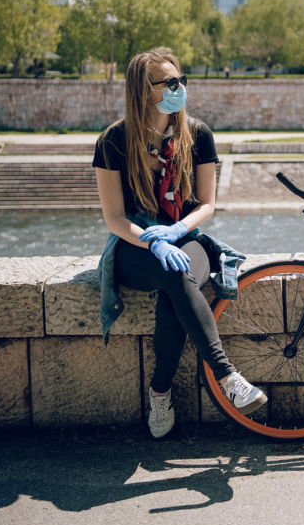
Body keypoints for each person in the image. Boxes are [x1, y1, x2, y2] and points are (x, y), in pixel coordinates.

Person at [93, 46, 267, 439]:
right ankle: (227, 376)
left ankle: (160, 391)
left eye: (181, 80)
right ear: (143, 90)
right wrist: (153, 242)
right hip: (134, 244)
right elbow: (114, 219)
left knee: (179, 274)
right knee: (172, 271)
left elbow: (207, 204)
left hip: (184, 236)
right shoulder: (113, 142)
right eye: (170, 83)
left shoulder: (198, 135)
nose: (179, 88)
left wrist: (173, 232)